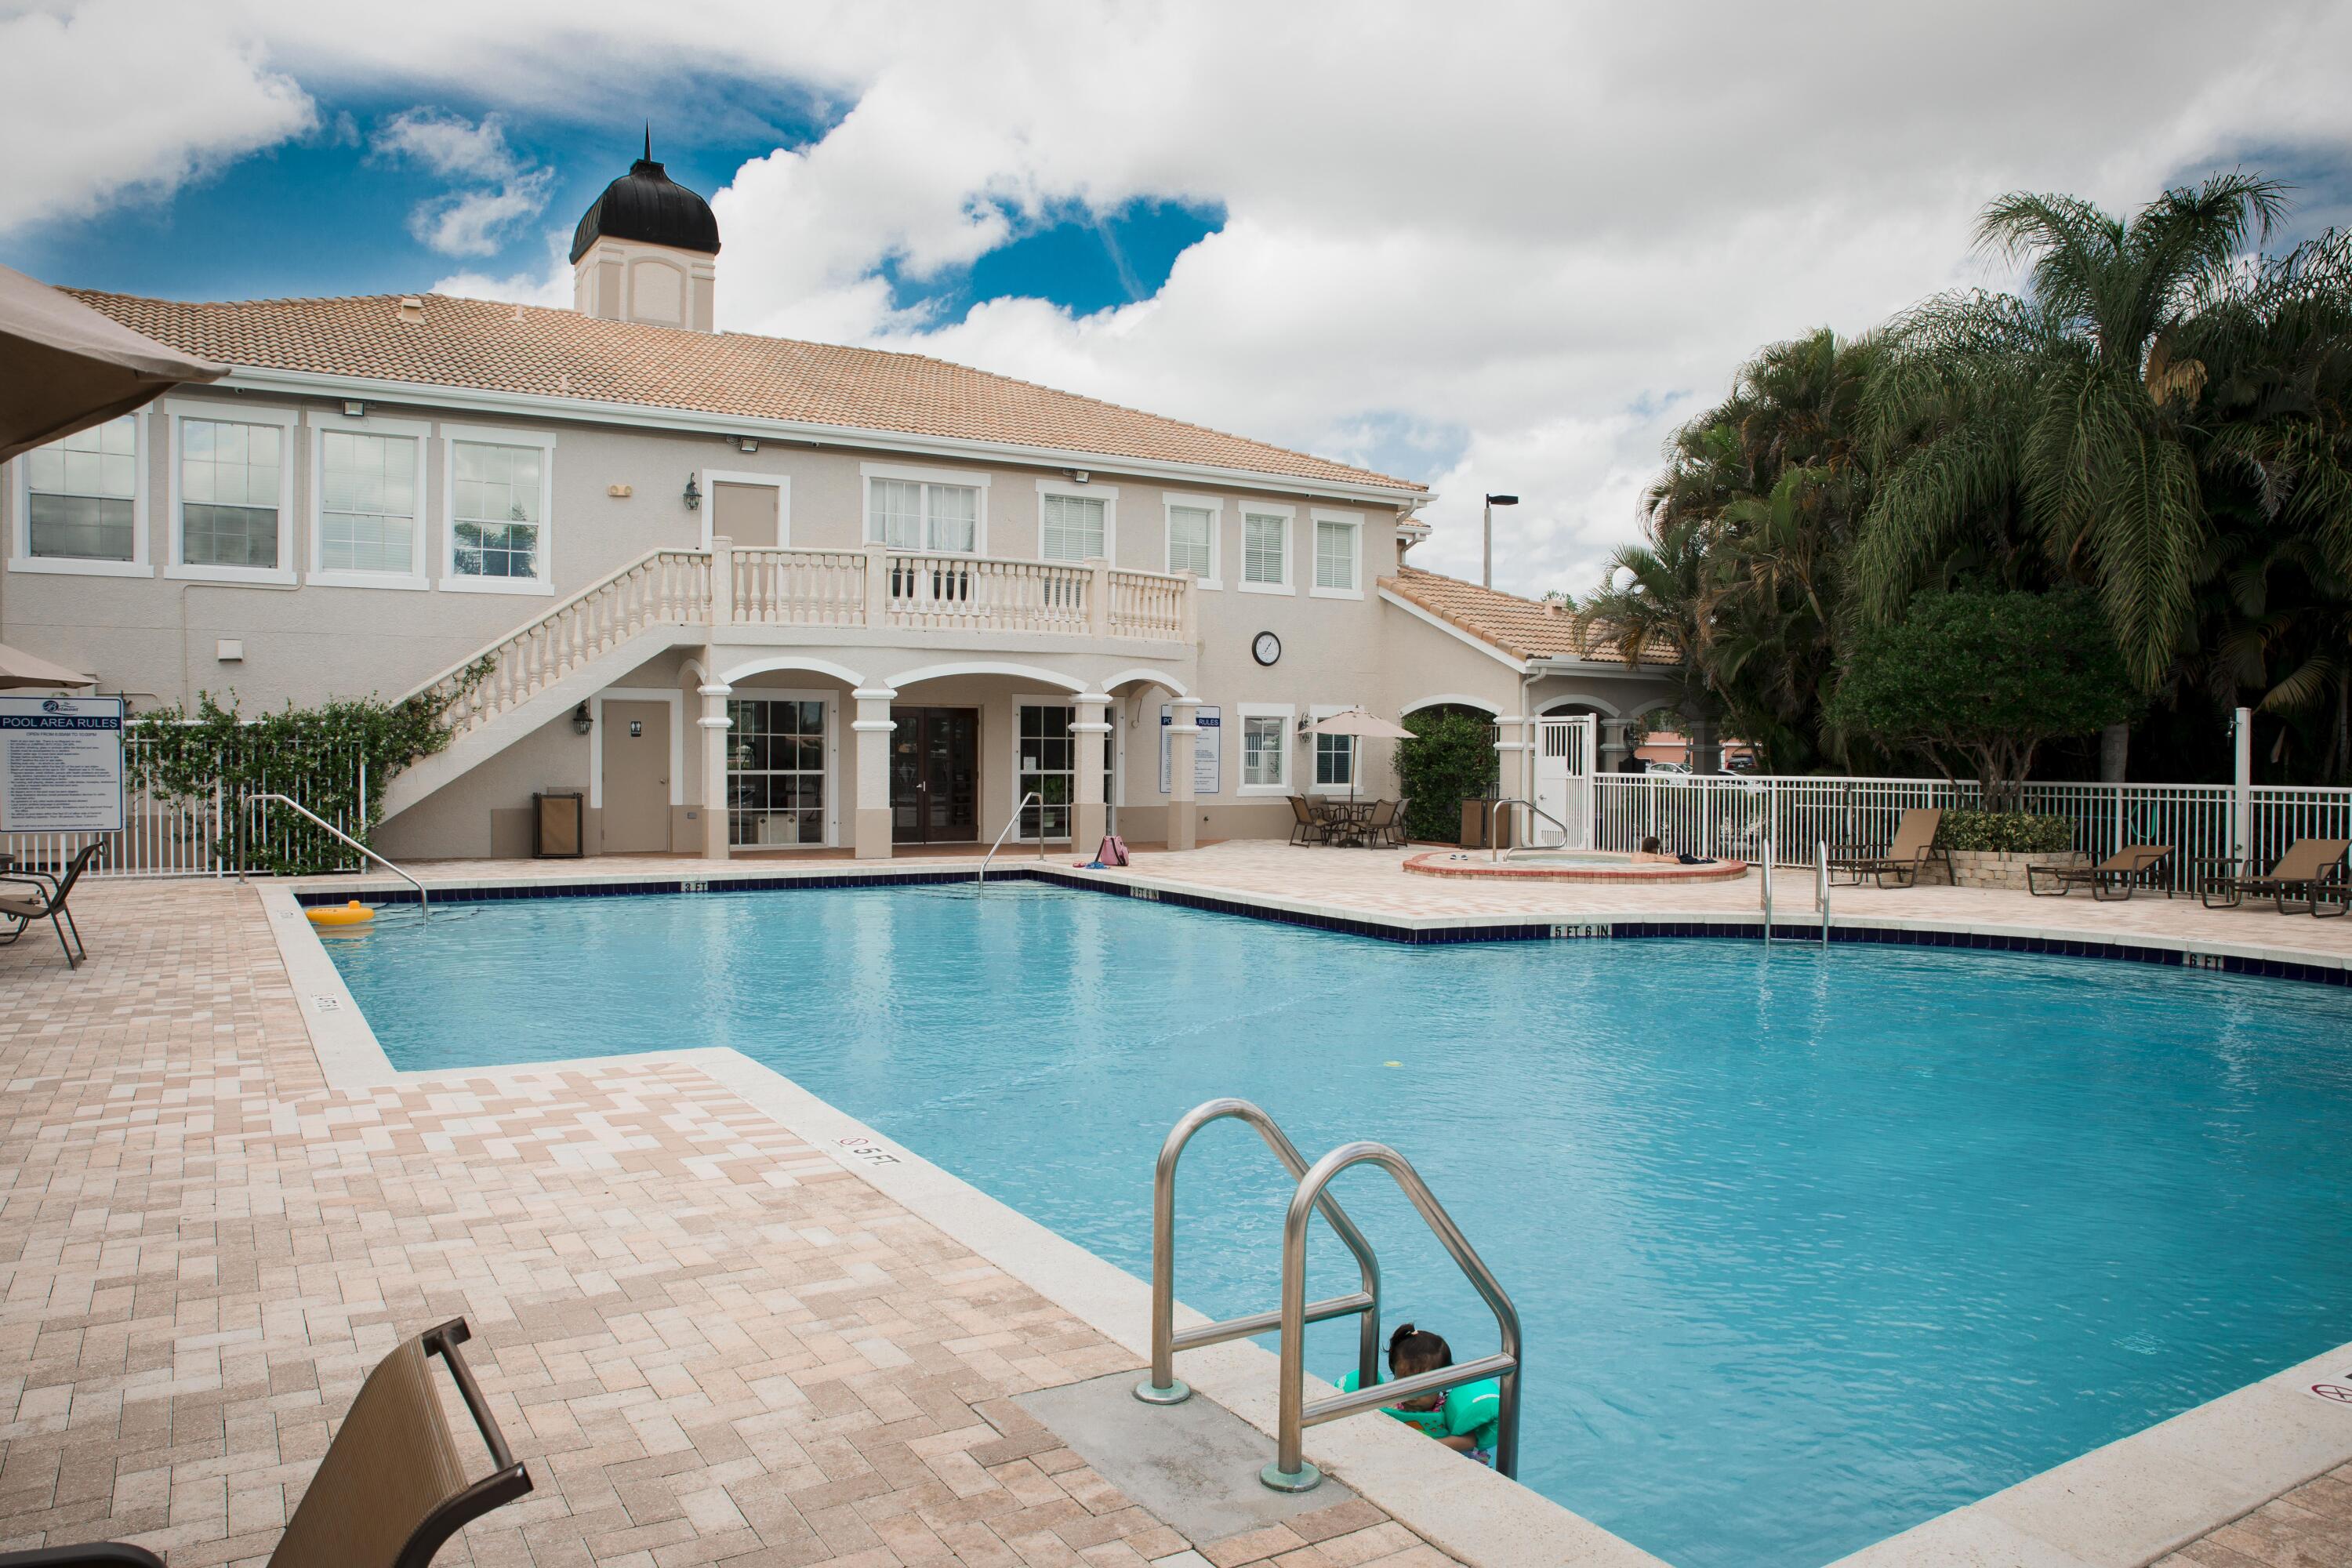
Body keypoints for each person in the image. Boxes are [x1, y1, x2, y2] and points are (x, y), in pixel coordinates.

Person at [1334, 1323, 1501, 1464]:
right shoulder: (1388, 1405)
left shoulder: (1448, 1412)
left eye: (1424, 1385)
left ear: (1444, 1382)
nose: (1413, 1393)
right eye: (1405, 1382)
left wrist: (1421, 1448)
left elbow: (1468, 1441)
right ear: (1394, 1374)